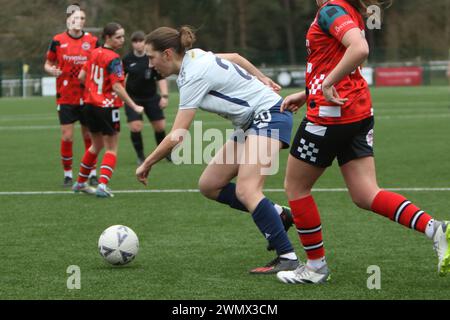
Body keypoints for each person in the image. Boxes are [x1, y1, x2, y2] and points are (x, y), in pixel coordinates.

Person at [276, 0, 449, 285]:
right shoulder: (348, 10)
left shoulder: (332, 9)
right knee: (365, 193)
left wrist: (327, 84)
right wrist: (308, 93)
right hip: (357, 112)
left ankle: (316, 267)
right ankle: (436, 229)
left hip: (329, 118)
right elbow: (334, 60)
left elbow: (360, 50)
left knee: (296, 187)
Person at [136, 26, 299, 274]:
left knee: (247, 189)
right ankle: (279, 215)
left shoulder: (193, 75)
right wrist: (261, 77)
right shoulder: (194, 56)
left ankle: (287, 256)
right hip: (252, 122)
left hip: (269, 116)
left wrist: (147, 162)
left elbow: (177, 135)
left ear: (168, 53)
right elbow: (234, 57)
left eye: (151, 57)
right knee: (210, 184)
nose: (150, 64)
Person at [72, 22, 144, 197]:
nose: (122, 40)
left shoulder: (93, 53)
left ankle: (80, 183)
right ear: (108, 38)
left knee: (95, 146)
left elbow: (81, 77)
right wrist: (133, 105)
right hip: (106, 107)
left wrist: (94, 89)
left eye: (123, 36)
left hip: (89, 105)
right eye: (118, 37)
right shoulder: (113, 58)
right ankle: (102, 185)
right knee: (111, 148)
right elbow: (118, 87)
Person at [44, 4, 99, 187]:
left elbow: (100, 61)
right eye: (75, 18)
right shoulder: (58, 40)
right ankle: (68, 174)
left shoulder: (92, 41)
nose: (79, 21)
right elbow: (48, 63)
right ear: (68, 20)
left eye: (82, 18)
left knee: (89, 135)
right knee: (67, 136)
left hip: (88, 96)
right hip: (66, 96)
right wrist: (52, 70)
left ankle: (91, 172)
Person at [123, 31, 172, 165]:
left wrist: (165, 96)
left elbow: (160, 78)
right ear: (132, 43)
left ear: (145, 43)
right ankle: (140, 156)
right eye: (135, 41)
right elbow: (120, 79)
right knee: (136, 127)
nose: (138, 44)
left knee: (160, 127)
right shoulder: (127, 59)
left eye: (141, 41)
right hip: (133, 99)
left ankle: (164, 154)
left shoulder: (151, 58)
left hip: (151, 97)